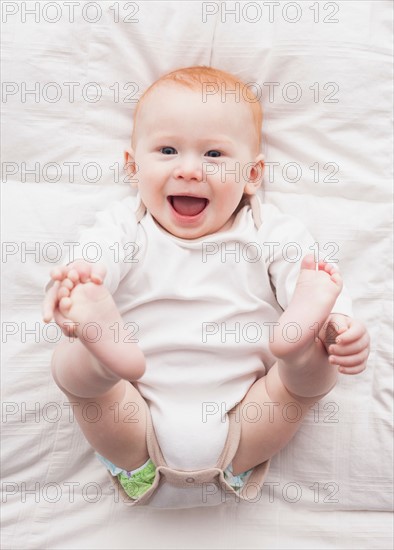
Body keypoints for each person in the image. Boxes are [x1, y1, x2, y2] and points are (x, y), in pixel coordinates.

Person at [42, 66, 370, 506]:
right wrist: (76, 284)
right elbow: (96, 253)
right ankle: (102, 355)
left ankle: (298, 344)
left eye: (214, 154)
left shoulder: (265, 228)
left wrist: (337, 324)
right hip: (136, 413)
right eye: (168, 149)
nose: (190, 170)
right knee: (75, 371)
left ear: (253, 175)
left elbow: (304, 268)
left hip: (244, 418)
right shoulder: (127, 225)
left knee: (304, 378)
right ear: (133, 167)